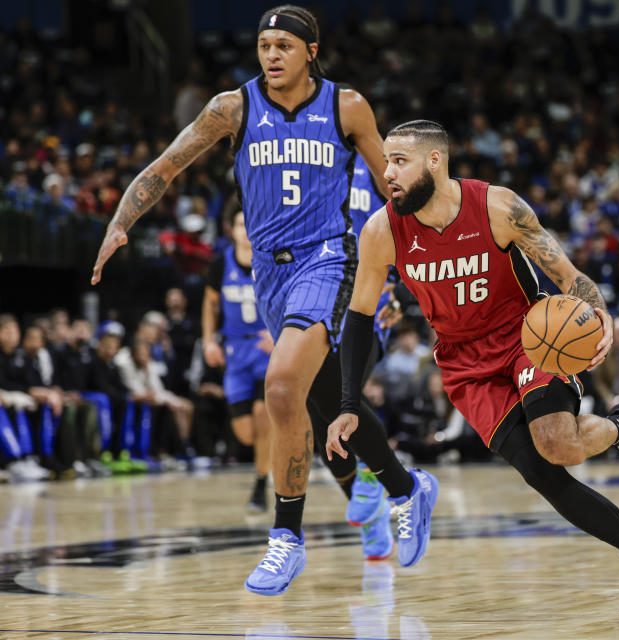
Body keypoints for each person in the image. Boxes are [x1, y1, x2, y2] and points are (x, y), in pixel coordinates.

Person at [90, 5, 435, 596]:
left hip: (329, 259)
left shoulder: (346, 106)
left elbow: (392, 187)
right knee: (324, 400)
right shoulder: (233, 107)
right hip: (270, 280)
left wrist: (427, 254)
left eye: (284, 45)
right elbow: (167, 165)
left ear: (311, 51)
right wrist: (121, 220)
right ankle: (406, 489)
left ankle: (286, 537)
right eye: (264, 44)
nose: (271, 54)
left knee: (280, 387)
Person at [327, 120, 619, 624]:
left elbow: (568, 275)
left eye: (400, 161)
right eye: (387, 162)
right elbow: (358, 318)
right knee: (542, 474)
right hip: (466, 366)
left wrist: (598, 315)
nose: (387, 172)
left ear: (434, 162)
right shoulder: (381, 231)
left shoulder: (497, 207)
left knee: (558, 444)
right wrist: (349, 405)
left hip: (530, 337)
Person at [202, 209, 274, 512]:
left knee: (262, 415)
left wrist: (279, 332)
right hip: (235, 352)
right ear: (230, 229)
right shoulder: (220, 265)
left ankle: (260, 485)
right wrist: (208, 340)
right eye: (240, 224)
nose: (245, 230)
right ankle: (278, 452)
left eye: (249, 223)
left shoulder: (269, 259)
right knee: (245, 433)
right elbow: (210, 303)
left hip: (267, 350)